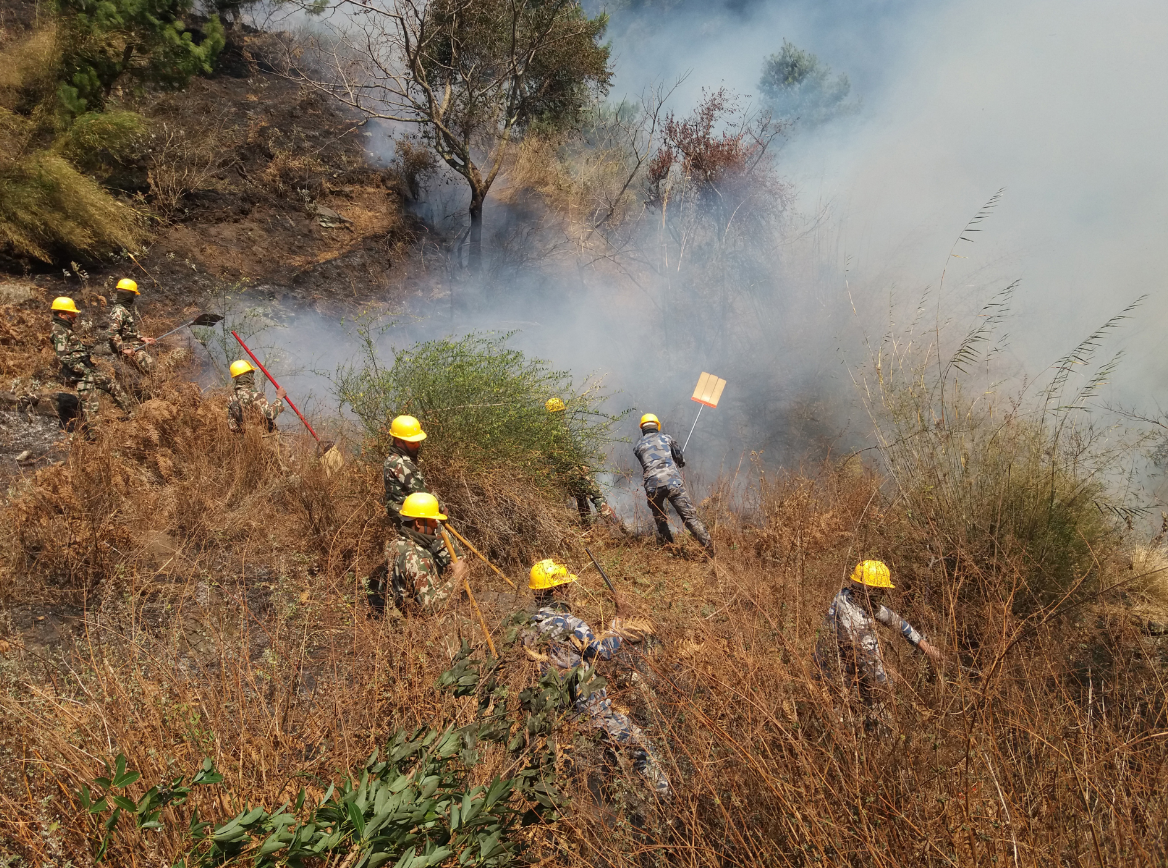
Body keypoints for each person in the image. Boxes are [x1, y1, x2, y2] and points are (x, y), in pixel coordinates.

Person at [525, 558, 671, 796]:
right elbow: (606, 651)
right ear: (557, 589)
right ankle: (666, 804)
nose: (569, 590)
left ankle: (612, 802)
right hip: (590, 712)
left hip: (558, 714)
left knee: (609, 760)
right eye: (565, 586)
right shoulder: (569, 623)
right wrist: (620, 619)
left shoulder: (528, 626)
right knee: (642, 745)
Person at [814, 560, 944, 727]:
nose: (883, 594)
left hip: (850, 669)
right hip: (836, 678)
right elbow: (872, 666)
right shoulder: (855, 619)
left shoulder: (849, 595)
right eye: (881, 590)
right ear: (870, 590)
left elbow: (892, 618)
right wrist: (896, 688)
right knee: (858, 724)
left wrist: (922, 644)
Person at [632, 413, 712, 553]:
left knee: (659, 518)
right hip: (673, 482)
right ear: (657, 426)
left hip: (652, 486)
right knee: (689, 517)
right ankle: (710, 549)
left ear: (642, 429)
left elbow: (646, 462)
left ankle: (670, 548)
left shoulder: (638, 446)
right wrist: (680, 462)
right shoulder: (667, 438)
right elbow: (679, 457)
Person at [49, 296, 133, 430]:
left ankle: (132, 415)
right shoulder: (59, 330)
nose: (75, 316)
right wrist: (81, 369)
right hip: (78, 373)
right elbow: (63, 356)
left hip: (84, 369)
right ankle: (94, 437)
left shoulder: (64, 328)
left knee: (110, 383)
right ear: (62, 314)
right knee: (91, 405)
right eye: (72, 313)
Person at [545, 397, 622, 527]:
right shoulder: (562, 430)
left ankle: (587, 527)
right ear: (560, 412)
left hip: (563, 474)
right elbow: (573, 453)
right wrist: (583, 467)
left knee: (580, 498)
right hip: (576, 470)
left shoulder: (546, 432)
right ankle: (614, 526)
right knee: (597, 496)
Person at [386, 492, 465, 614]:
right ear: (418, 523)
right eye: (433, 521)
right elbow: (430, 608)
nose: (436, 526)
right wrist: (456, 578)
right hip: (418, 622)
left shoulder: (395, 545)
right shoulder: (418, 557)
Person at [383, 415, 433, 526]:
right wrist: (441, 508)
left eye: (418, 441)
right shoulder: (400, 463)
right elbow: (423, 493)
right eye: (412, 443)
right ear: (399, 441)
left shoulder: (394, 459)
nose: (417, 445)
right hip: (406, 518)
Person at [106, 278, 155, 374]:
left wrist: (142, 338)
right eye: (132, 295)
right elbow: (112, 332)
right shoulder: (119, 311)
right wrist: (123, 348)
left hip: (133, 347)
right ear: (128, 295)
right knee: (156, 372)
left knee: (151, 373)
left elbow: (128, 330)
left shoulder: (124, 310)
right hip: (129, 350)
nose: (133, 298)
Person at [226, 359, 285, 433]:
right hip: (263, 440)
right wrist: (279, 398)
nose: (253, 378)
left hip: (247, 441)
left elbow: (232, 426)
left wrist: (247, 432)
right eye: (251, 375)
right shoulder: (255, 395)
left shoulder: (232, 398)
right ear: (247, 376)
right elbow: (269, 415)